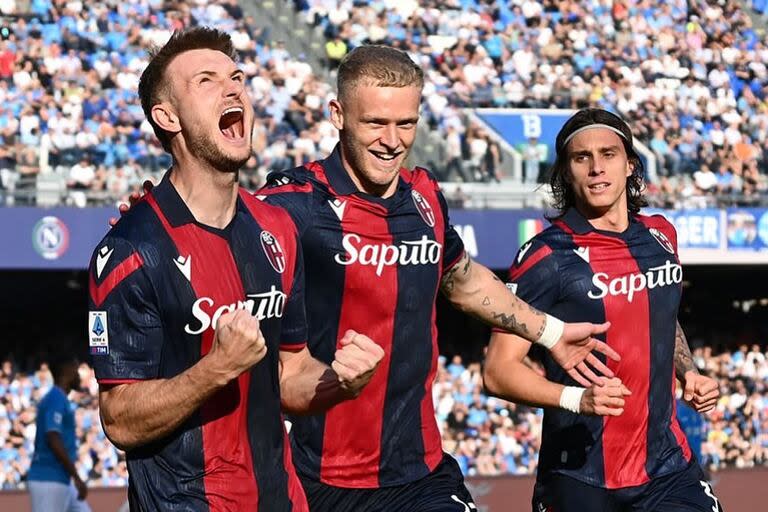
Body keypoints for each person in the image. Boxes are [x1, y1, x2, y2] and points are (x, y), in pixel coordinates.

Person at [122, 45, 620, 511]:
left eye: (406, 123)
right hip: (322, 480)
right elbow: (213, 223)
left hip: (423, 473)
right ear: (337, 116)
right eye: (376, 122)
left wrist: (549, 333)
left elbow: (464, 280)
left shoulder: (425, 198)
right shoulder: (294, 203)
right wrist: (155, 217)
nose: (392, 140)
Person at [89, 28, 383, 511]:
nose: (233, 89)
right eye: (205, 80)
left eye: (237, 77)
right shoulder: (131, 248)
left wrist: (339, 382)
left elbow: (291, 373)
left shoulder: (277, 229)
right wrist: (216, 369)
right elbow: (119, 419)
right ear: (167, 116)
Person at [484, 108, 723, 512]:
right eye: (582, 158)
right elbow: (497, 372)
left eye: (608, 154)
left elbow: (662, 315)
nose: (597, 168)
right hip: (581, 477)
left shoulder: (661, 235)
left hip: (667, 468)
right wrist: (578, 399)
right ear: (566, 172)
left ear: (630, 164)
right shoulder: (545, 256)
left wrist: (689, 371)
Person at [27, 354, 90, 512]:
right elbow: (53, 437)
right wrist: (76, 476)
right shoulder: (55, 398)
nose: (78, 375)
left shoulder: (59, 398)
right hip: (48, 479)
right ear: (67, 372)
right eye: (76, 369)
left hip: (61, 478)